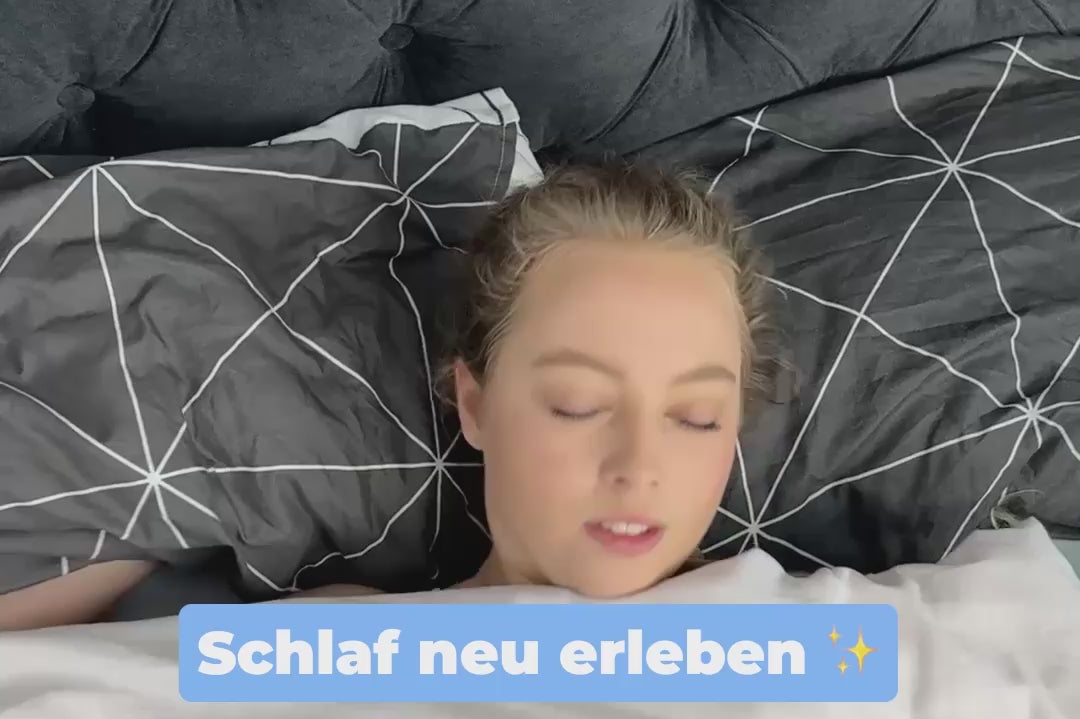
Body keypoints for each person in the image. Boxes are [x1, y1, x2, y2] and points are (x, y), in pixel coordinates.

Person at [0, 159, 769, 629]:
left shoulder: (820, 640)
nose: (639, 465)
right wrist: (147, 533)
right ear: (475, 405)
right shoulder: (357, 641)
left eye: (696, 418)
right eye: (576, 404)